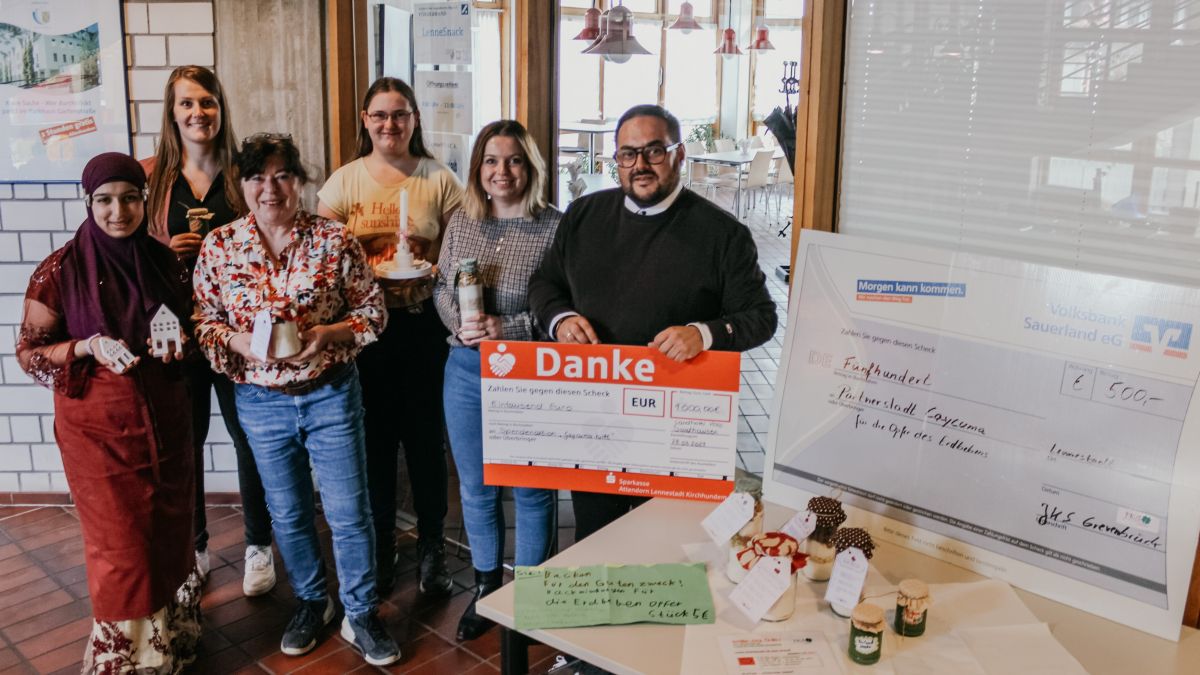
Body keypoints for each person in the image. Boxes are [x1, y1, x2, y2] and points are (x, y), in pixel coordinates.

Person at [192, 134, 400, 666]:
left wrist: (328, 334)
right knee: (287, 513)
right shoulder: (220, 247)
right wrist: (236, 341)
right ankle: (313, 601)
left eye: (282, 175)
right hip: (260, 402)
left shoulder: (333, 239)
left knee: (349, 512)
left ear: (300, 182)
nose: (270, 188)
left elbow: (373, 312)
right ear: (241, 186)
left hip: (330, 393)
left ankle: (360, 611)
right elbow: (204, 322)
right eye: (257, 177)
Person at [528, 104, 777, 540]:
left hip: (677, 424)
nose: (640, 164)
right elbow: (544, 284)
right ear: (617, 160)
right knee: (597, 538)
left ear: (679, 155)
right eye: (628, 153)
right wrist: (560, 320)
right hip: (597, 418)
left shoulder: (722, 234)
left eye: (654, 151)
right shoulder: (583, 216)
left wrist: (703, 334)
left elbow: (762, 317)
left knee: (669, 543)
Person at [17, 153, 201, 672]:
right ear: (88, 202)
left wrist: (181, 343)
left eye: (129, 198)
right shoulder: (60, 270)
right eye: (105, 200)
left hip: (166, 422)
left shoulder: (165, 263)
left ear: (144, 201)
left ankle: (171, 638)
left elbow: (193, 333)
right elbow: (30, 352)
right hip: (97, 430)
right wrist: (86, 346)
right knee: (120, 542)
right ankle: (131, 659)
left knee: (169, 530)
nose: (118, 211)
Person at [317, 77, 464, 595]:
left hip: (422, 326)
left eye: (400, 114)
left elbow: (458, 251)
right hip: (363, 337)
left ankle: (431, 548)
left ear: (414, 119)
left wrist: (434, 272)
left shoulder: (439, 179)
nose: (390, 124)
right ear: (365, 120)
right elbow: (321, 260)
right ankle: (382, 545)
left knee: (425, 443)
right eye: (379, 114)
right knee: (373, 443)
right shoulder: (344, 183)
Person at [141, 64, 276, 596]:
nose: (198, 113)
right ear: (172, 112)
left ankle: (258, 545)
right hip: (176, 333)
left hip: (238, 334)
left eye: (208, 102)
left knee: (249, 438)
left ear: (221, 108)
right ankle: (194, 547)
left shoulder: (246, 174)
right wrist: (162, 251)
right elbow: (129, 253)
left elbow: (274, 240)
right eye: (187, 103)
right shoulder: (152, 177)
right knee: (185, 442)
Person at [433, 120, 561, 641]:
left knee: (531, 489)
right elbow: (442, 289)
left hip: (529, 374)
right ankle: (486, 587)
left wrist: (507, 328)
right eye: (491, 160)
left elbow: (565, 312)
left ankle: (529, 595)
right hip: (466, 372)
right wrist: (459, 326)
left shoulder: (555, 228)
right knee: (477, 487)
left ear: (530, 167)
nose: (501, 171)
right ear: (477, 168)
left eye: (513, 160)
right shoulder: (462, 222)